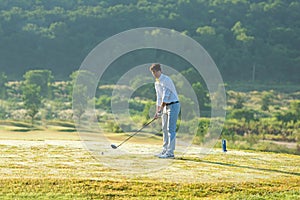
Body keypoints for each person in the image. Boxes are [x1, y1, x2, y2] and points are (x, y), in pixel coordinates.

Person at [149, 63, 180, 159]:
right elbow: (159, 98)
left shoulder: (166, 80)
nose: (154, 74)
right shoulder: (157, 83)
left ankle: (170, 153)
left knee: (170, 129)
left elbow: (165, 97)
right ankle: (165, 150)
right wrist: (157, 111)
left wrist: (160, 109)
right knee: (164, 129)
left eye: (155, 72)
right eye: (153, 72)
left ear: (160, 71)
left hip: (173, 105)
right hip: (165, 106)